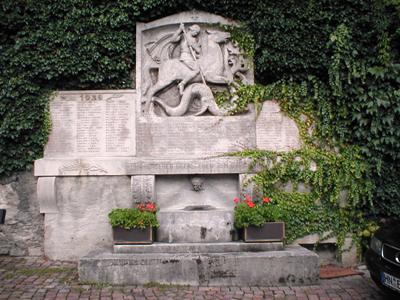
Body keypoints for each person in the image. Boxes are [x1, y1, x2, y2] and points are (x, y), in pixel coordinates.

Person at [170, 23, 202, 94]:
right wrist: (179, 30)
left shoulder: (194, 39)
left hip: (191, 57)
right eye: (195, 32)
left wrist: (193, 45)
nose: (196, 34)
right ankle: (182, 83)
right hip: (185, 56)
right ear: (191, 30)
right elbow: (172, 39)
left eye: (197, 33)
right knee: (197, 69)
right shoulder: (184, 36)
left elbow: (198, 51)